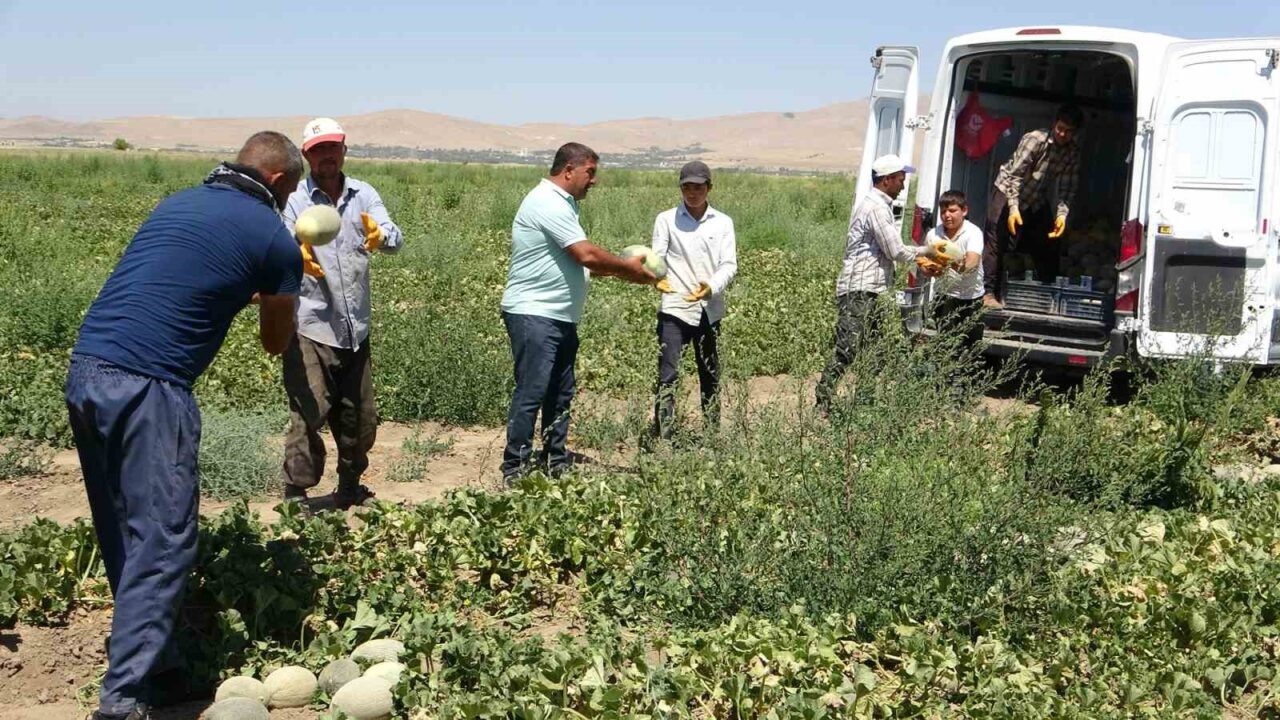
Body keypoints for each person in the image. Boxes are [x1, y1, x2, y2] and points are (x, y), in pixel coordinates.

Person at [65, 132, 304, 720]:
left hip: (89, 371)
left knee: (124, 527)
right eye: (291, 191)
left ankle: (162, 668)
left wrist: (244, 289)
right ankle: (122, 702)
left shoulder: (176, 203)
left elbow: (181, 278)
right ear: (277, 181)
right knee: (165, 538)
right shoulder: (275, 237)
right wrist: (285, 294)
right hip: (151, 386)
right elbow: (276, 344)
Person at [500, 142, 659, 481]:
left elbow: (576, 264)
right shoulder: (547, 202)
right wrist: (627, 269)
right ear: (569, 170)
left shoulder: (563, 205)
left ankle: (554, 462)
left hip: (558, 315)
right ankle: (515, 468)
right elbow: (586, 254)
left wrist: (625, 274)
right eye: (591, 172)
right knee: (533, 390)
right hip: (535, 314)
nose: (594, 180)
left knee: (560, 392)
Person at [280, 118, 404, 507]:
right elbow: (274, 244)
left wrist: (381, 236)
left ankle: (350, 487)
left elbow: (394, 236)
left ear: (344, 149)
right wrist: (292, 251)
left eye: (333, 147)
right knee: (308, 412)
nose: (327, 155)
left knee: (361, 418)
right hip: (311, 326)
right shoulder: (294, 200)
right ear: (306, 156)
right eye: (318, 150)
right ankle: (296, 493)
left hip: (355, 326)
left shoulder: (363, 194)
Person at [815, 154, 945, 415]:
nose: (903, 184)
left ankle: (862, 403)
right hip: (859, 288)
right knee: (848, 347)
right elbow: (895, 251)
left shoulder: (877, 204)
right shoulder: (875, 207)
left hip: (870, 288)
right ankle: (823, 402)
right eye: (900, 179)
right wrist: (928, 252)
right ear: (886, 180)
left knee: (874, 348)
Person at [649, 160, 737, 439]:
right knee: (668, 375)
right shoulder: (666, 219)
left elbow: (729, 264)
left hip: (708, 309)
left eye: (698, 186)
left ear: (709, 188)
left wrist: (710, 287)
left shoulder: (723, 222)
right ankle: (664, 435)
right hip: (674, 307)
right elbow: (656, 258)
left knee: (709, 374)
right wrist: (655, 277)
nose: (692, 192)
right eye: (686, 186)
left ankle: (711, 435)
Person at [983, 104, 1083, 308]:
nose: (1062, 134)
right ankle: (988, 293)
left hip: (1035, 197)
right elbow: (1015, 175)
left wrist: (1062, 216)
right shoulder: (1035, 139)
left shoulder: (1072, 152)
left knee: (1047, 241)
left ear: (1075, 133)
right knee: (997, 241)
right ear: (1054, 124)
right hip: (1006, 191)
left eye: (1068, 131)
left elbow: (1067, 188)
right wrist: (1012, 208)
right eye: (1060, 128)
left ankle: (1049, 294)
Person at [922, 190, 985, 353]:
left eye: (952, 211)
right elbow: (923, 263)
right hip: (944, 297)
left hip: (971, 298)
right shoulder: (933, 235)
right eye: (943, 212)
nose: (947, 216)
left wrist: (949, 260)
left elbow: (971, 265)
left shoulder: (973, 233)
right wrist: (929, 269)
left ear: (964, 211)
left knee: (970, 350)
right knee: (944, 347)